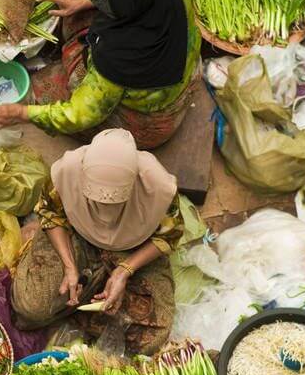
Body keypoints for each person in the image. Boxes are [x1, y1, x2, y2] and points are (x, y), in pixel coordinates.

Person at [0, 0, 201, 149]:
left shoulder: (120, 58)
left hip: (150, 118)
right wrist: (80, 1)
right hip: (181, 64)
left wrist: (22, 113)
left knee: (45, 91)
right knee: (80, 2)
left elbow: (80, 115)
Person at [11, 129, 187, 355]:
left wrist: (125, 271)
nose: (104, 213)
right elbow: (51, 213)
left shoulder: (160, 188)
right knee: (31, 308)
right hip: (76, 236)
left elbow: (168, 236)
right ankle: (89, 302)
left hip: (134, 249)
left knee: (152, 339)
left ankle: (83, 304)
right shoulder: (66, 171)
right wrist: (68, 266)